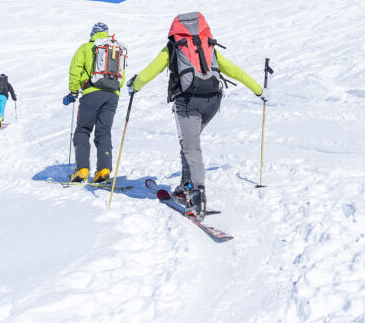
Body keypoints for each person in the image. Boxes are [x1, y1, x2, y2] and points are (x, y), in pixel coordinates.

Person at [127, 11, 265, 219]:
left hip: (188, 101)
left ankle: (198, 196)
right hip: (213, 101)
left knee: (191, 147)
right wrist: (259, 91)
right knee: (188, 142)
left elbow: (151, 71)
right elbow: (235, 71)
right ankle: (186, 184)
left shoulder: (174, 47)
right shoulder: (208, 47)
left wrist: (134, 86)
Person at [64, 22, 127, 184]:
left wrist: (73, 90)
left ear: (93, 34)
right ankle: (104, 170)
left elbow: (75, 69)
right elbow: (122, 77)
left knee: (83, 130)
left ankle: (82, 170)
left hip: (91, 93)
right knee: (103, 132)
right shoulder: (116, 49)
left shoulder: (86, 47)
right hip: (112, 95)